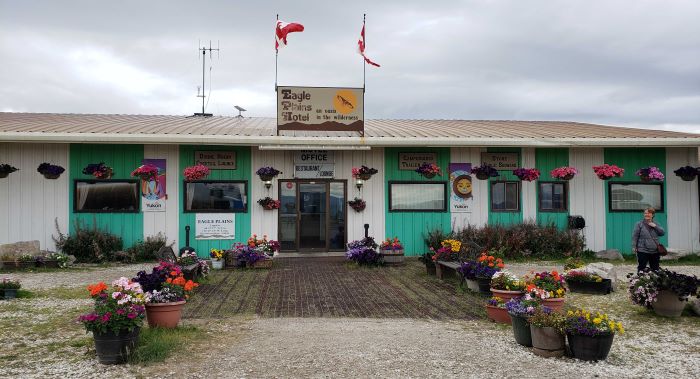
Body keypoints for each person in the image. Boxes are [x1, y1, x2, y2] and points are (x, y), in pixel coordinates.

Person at [632, 207, 665, 272]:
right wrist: (634, 246)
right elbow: (635, 236)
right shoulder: (639, 224)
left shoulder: (656, 223)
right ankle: (640, 280)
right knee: (641, 268)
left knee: (655, 269)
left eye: (649, 213)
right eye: (645, 213)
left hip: (655, 250)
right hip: (642, 250)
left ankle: (654, 281)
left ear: (652, 215)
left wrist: (655, 226)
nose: (646, 214)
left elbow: (662, 233)